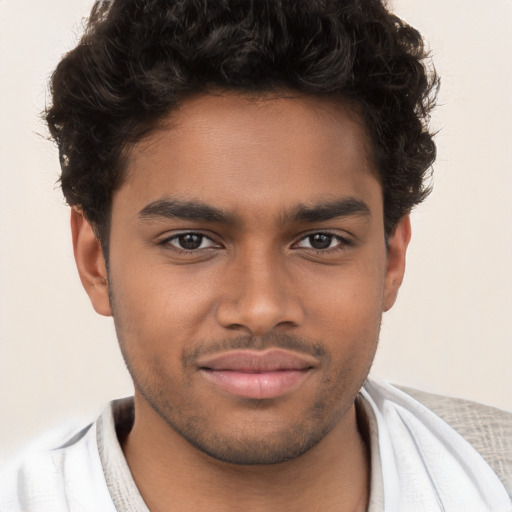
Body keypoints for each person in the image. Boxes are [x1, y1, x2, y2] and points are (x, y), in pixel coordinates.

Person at [1, 0, 511, 510]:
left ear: (392, 258)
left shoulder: (496, 473)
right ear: (96, 261)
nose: (261, 307)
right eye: (191, 241)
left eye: (320, 241)